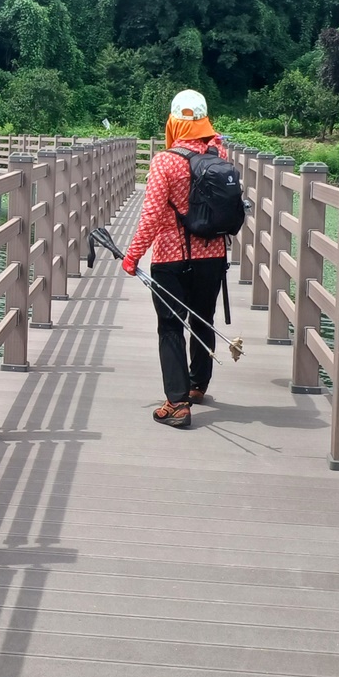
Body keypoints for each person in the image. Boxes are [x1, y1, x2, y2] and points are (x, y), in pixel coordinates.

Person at [121, 89, 231, 428]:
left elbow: (151, 216)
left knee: (170, 325)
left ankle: (177, 403)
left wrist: (133, 255)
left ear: (173, 122)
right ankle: (198, 384)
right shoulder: (220, 153)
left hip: (171, 258)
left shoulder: (165, 161)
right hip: (213, 254)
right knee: (203, 317)